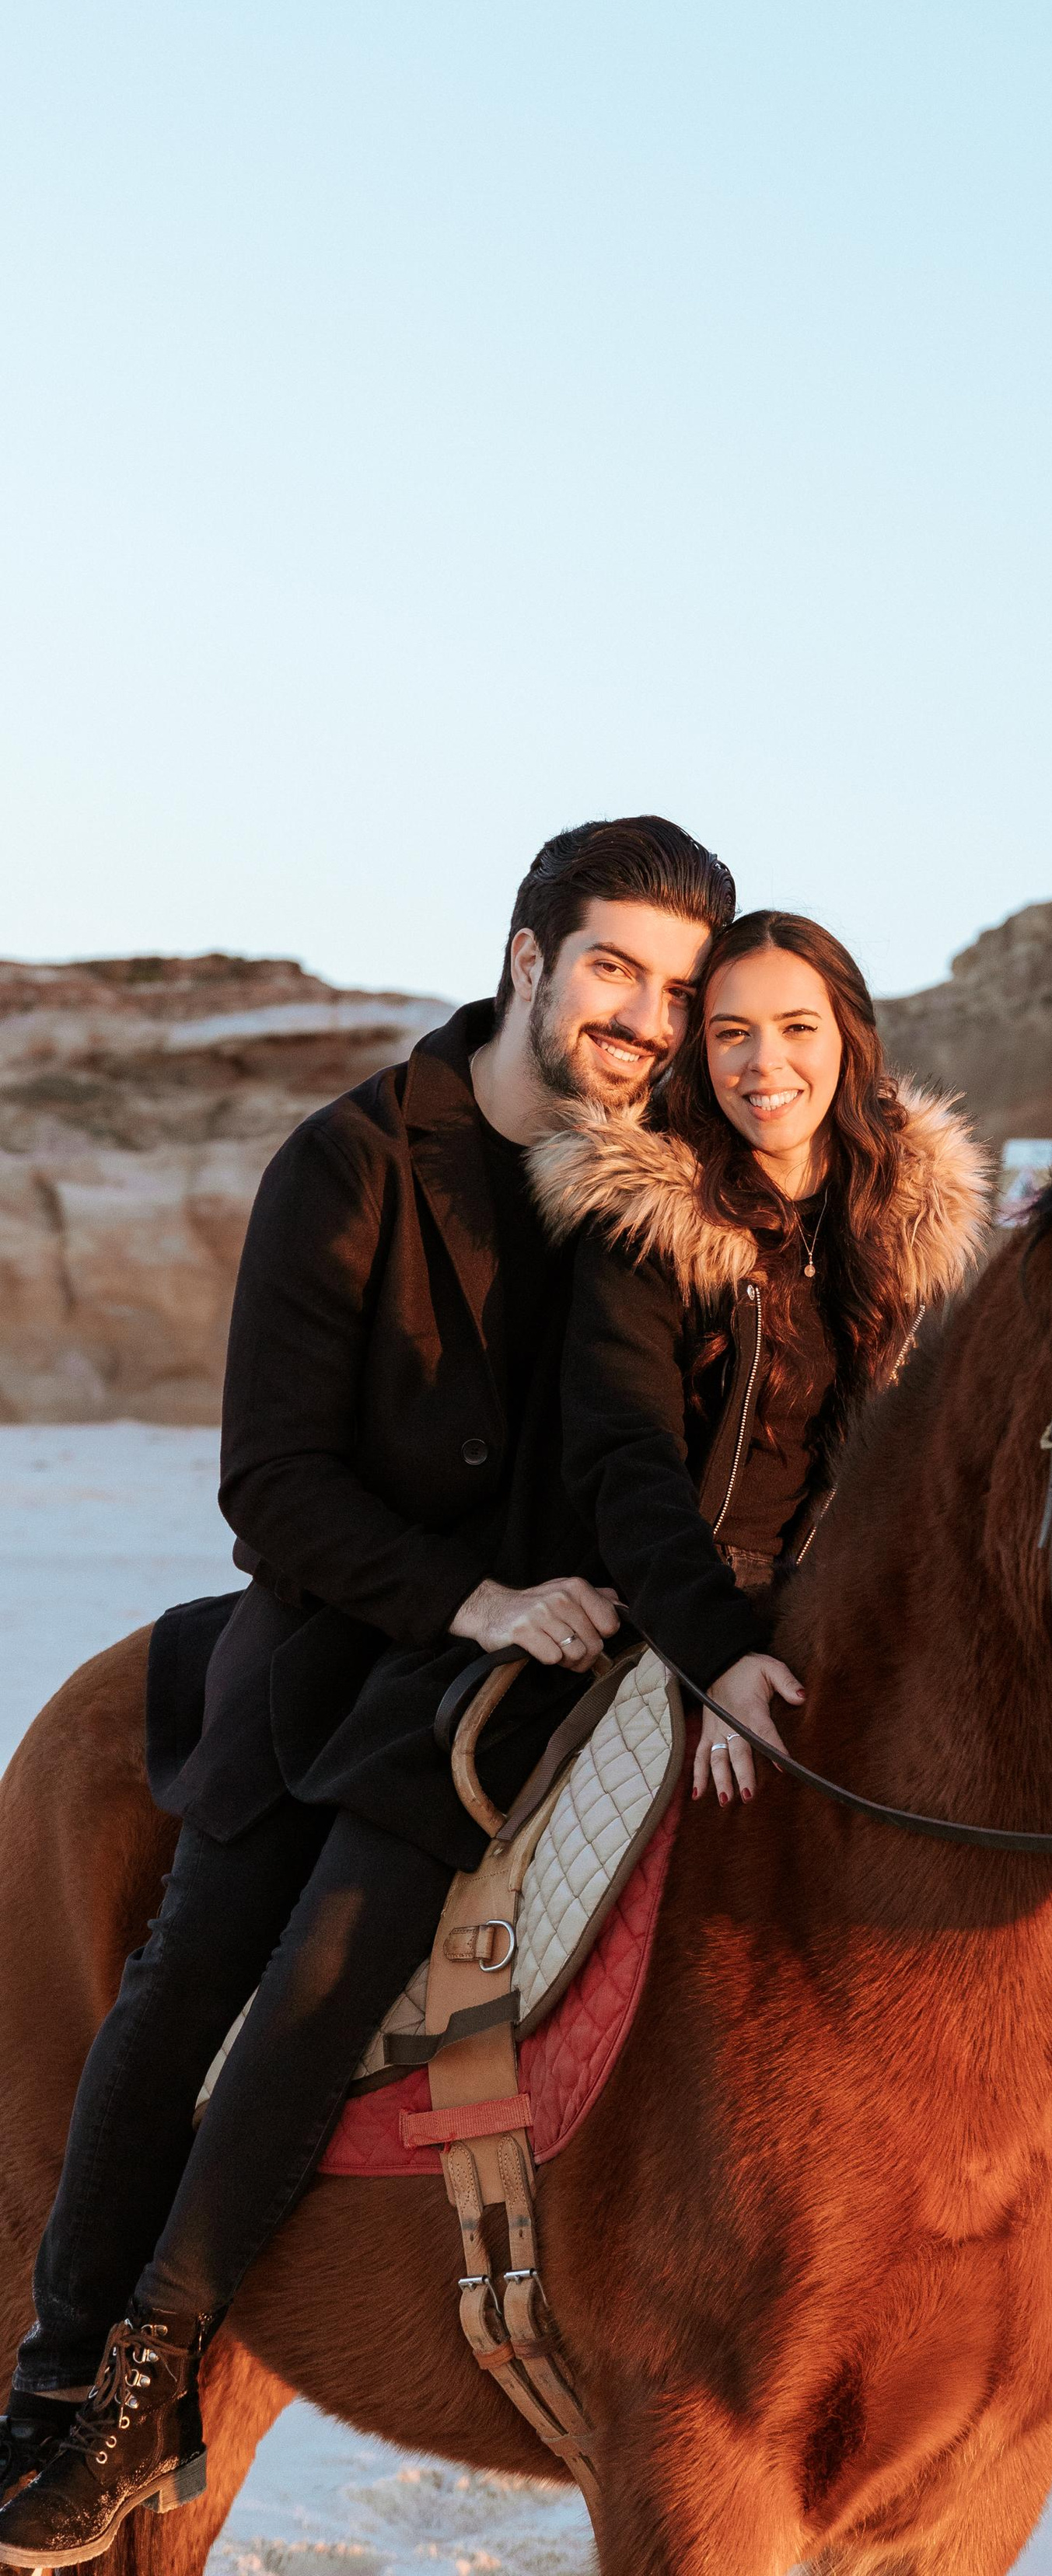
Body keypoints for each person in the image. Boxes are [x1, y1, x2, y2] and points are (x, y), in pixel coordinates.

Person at [0, 816, 735, 2571]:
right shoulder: (351, 1164)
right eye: (614, 967)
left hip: (585, 1655)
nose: (642, 1016)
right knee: (200, 1965)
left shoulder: (664, 1185)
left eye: (677, 989)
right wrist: (473, 1591)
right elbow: (272, 1482)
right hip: (346, 1643)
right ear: (528, 956)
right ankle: (74, 2378)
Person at [540, 909, 987, 1817]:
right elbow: (625, 1457)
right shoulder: (646, 1219)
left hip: (841, 1617)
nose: (763, 1064)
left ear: (848, 1040)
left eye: (796, 1028)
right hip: (659, 1615)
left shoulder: (902, 1235)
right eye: (731, 1033)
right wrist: (719, 1660)